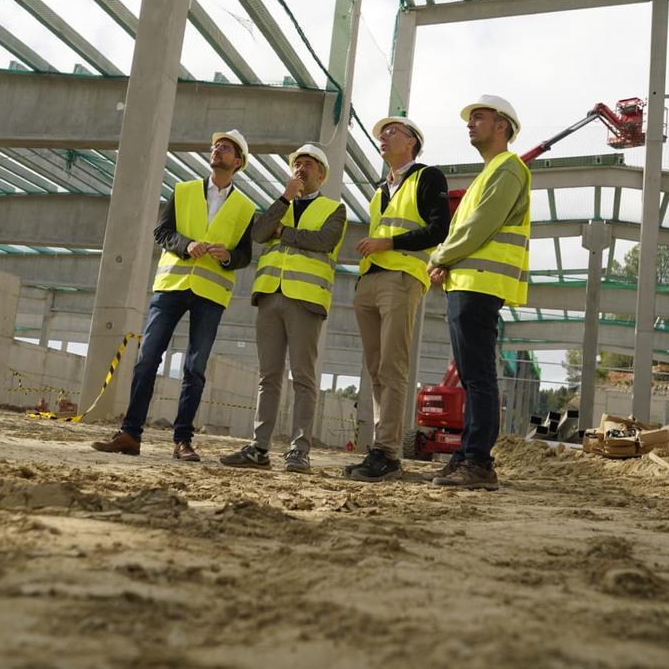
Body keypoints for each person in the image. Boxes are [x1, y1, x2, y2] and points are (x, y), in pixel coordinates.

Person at [92, 130, 255, 462]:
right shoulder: (183, 191)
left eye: (226, 148)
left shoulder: (245, 207)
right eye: (216, 146)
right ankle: (130, 434)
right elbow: (161, 231)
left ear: (238, 162)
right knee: (147, 358)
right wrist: (186, 245)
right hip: (171, 286)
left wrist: (227, 256)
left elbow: (244, 255)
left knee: (195, 368)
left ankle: (183, 440)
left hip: (211, 294)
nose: (217, 150)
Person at [220, 144, 346, 473]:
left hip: (305, 299)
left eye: (308, 165)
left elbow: (323, 241)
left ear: (322, 175)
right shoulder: (280, 204)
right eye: (297, 164)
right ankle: (259, 448)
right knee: (269, 376)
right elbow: (260, 233)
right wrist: (284, 199)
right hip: (269, 296)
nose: (301, 169)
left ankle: (299, 451)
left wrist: (284, 232)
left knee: (303, 377)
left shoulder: (335, 209)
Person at [425, 96, 530, 490]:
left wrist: (440, 256)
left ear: (502, 126)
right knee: (470, 378)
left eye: (479, 117)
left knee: (479, 377)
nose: (470, 123)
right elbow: (467, 229)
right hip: (467, 282)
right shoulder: (487, 174)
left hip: (481, 284)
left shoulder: (508, 168)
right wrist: (449, 263)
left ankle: (479, 462)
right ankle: (467, 454)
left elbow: (481, 224)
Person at [344, 117, 450, 482]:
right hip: (370, 280)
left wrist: (388, 243)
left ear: (411, 143)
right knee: (376, 369)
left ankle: (387, 452)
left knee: (392, 366)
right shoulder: (379, 190)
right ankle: (381, 447)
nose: (383, 138)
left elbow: (438, 229)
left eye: (391, 132)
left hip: (402, 278)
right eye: (381, 134)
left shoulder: (427, 177)